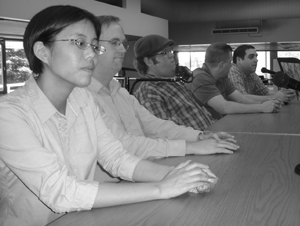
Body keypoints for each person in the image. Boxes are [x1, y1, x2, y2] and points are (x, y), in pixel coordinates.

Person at [0, 6, 218, 226]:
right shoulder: (8, 113)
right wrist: (162, 187)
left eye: (94, 46)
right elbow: (60, 191)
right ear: (42, 52)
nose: (91, 54)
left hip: (84, 217)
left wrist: (180, 174)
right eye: (79, 43)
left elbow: (116, 158)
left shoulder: (82, 99)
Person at [87, 16, 239, 160]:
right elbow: (125, 146)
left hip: (144, 168)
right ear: (93, 47)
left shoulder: (120, 93)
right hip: (129, 177)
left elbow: (155, 126)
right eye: (114, 42)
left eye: (123, 44)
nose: (123, 49)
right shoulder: (84, 97)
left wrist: (199, 136)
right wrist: (191, 146)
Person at [132, 34, 215, 131]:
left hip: (211, 135)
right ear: (149, 61)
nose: (171, 55)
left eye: (170, 51)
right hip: (199, 143)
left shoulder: (173, 83)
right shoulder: (149, 92)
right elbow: (163, 134)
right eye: (164, 52)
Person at [185, 42, 283, 119]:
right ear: (222, 65)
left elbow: (241, 99)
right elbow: (224, 107)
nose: (232, 65)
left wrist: (267, 104)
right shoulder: (200, 77)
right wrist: (261, 107)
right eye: (230, 62)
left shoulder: (222, 77)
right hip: (203, 131)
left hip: (218, 123)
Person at [228, 44, 295, 103]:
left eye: (256, 56)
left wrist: (284, 94)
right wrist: (276, 97)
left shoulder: (251, 74)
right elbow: (242, 98)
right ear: (239, 60)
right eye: (251, 57)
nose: (256, 60)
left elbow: (265, 93)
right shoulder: (232, 71)